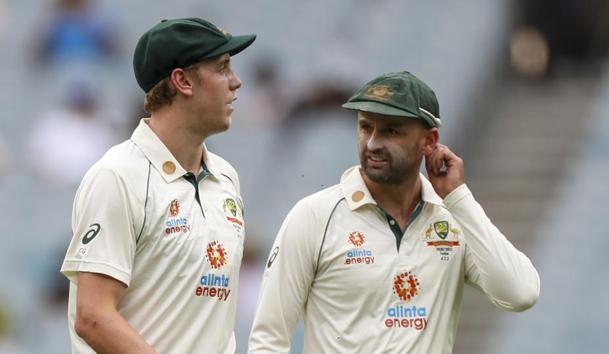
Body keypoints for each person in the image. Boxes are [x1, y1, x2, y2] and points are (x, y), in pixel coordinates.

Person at [248, 71, 540, 353]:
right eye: (365, 127)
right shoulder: (313, 216)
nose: (373, 143)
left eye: (391, 130)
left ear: (429, 141)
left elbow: (520, 293)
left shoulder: (451, 220)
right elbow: (268, 339)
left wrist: (458, 197)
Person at [60, 18, 255, 353]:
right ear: (182, 81)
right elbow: (92, 317)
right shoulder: (118, 177)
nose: (236, 82)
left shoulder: (226, 177)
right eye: (222, 67)